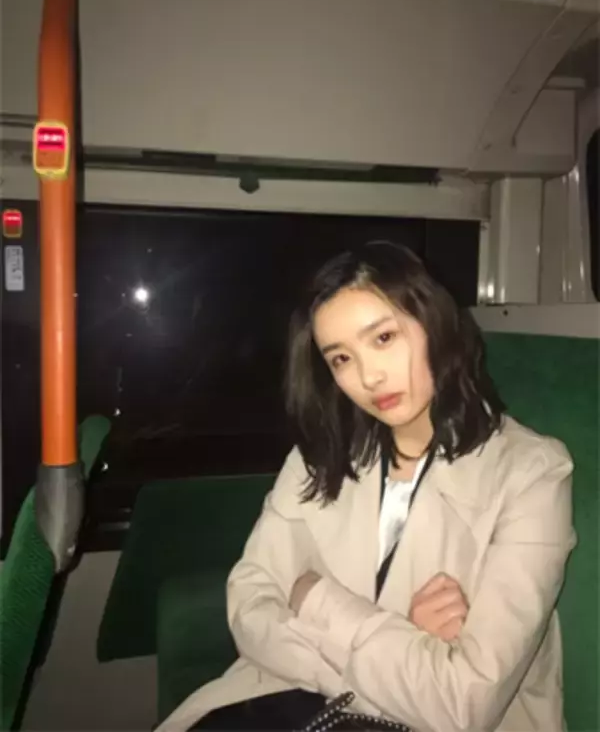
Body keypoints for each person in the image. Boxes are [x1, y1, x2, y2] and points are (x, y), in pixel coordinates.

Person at [156, 241, 576, 732]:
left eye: (383, 338)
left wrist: (312, 597)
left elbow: (464, 704)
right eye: (341, 359)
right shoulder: (319, 458)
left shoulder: (532, 473)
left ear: (435, 323)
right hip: (293, 704)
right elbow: (249, 605)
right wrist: (402, 645)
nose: (368, 376)